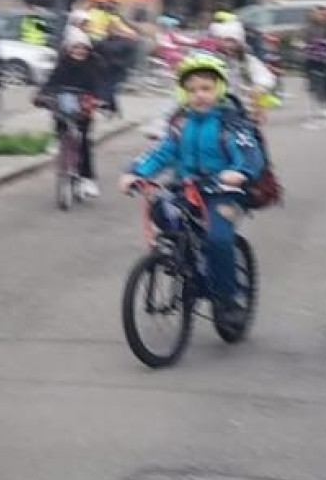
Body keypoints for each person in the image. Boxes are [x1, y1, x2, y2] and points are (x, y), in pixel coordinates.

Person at [121, 55, 265, 334]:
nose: (199, 95)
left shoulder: (231, 124)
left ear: (219, 89)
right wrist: (136, 172)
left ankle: (228, 299)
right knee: (161, 209)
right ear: (184, 93)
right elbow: (161, 153)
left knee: (218, 239)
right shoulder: (180, 125)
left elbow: (249, 155)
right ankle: (184, 261)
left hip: (224, 192)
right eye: (192, 90)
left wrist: (240, 172)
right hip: (187, 190)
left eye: (206, 88)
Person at [38, 28, 111, 198]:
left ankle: (87, 179)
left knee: (84, 141)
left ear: (88, 49)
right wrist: (43, 94)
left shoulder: (94, 65)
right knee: (59, 117)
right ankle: (57, 139)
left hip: (85, 107)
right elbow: (52, 82)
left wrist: (103, 100)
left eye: (83, 48)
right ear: (69, 49)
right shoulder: (63, 64)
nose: (79, 51)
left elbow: (102, 85)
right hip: (65, 106)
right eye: (76, 47)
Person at [301, 4, 326, 125]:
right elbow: (308, 39)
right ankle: (313, 106)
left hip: (325, 58)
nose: (321, 16)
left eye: (323, 14)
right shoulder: (309, 26)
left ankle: (324, 105)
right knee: (314, 83)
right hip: (311, 58)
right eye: (319, 13)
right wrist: (323, 42)